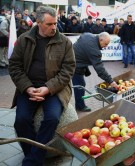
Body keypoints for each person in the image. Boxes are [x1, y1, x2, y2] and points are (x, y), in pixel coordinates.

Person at [8, 6, 75, 165]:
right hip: (28, 88)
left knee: (52, 119)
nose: (54, 27)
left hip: (54, 90)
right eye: (50, 24)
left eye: (55, 23)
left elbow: (68, 70)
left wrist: (48, 88)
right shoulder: (24, 39)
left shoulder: (65, 42)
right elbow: (14, 66)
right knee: (21, 120)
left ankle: (32, 161)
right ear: (38, 23)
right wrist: (27, 87)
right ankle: (34, 156)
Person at [72, 32, 118, 112]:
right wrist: (111, 81)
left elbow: (80, 42)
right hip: (74, 65)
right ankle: (80, 106)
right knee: (79, 85)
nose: (105, 46)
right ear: (100, 39)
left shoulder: (88, 35)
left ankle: (78, 104)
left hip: (73, 59)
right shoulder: (94, 50)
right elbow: (100, 69)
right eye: (105, 44)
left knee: (81, 84)